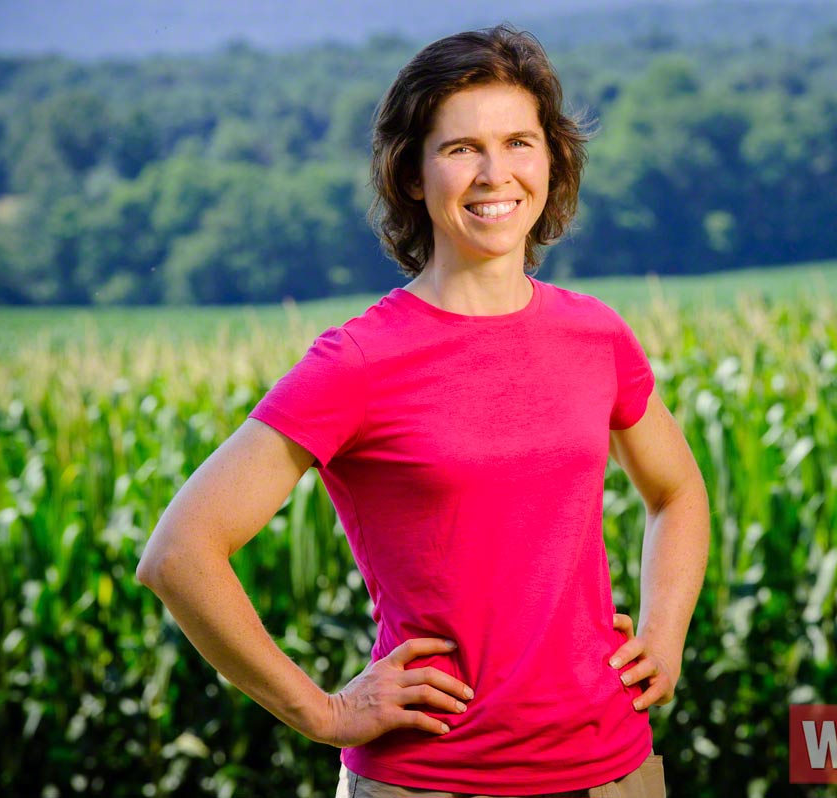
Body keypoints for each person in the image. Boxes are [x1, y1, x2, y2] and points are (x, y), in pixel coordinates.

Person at [136, 23, 709, 798]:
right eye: (460, 148)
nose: (494, 172)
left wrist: (662, 635)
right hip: (431, 781)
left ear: (552, 160)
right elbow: (178, 554)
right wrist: (324, 712)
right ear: (412, 174)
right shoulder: (358, 362)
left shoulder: (595, 334)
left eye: (519, 142)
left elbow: (677, 493)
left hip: (614, 772)